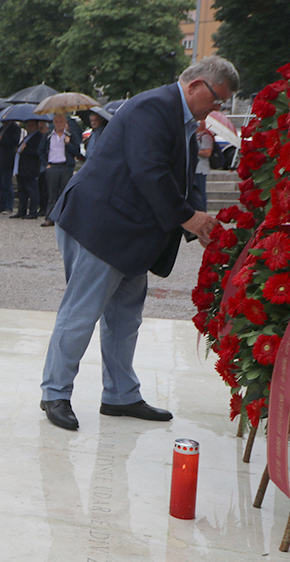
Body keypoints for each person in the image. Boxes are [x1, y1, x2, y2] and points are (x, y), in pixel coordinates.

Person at [39, 56, 237, 432]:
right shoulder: (154, 106)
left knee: (126, 317)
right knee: (82, 311)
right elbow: (149, 170)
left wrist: (199, 220)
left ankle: (120, 395)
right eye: (216, 99)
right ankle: (55, 393)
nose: (217, 108)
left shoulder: (182, 120)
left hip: (132, 232)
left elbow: (182, 179)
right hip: (101, 225)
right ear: (196, 85)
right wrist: (188, 218)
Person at [41, 114, 80, 227]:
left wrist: (68, 144)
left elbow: (77, 152)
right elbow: (41, 150)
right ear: (54, 123)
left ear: (65, 123)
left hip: (65, 167)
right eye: (57, 122)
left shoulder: (71, 135)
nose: (59, 124)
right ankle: (50, 217)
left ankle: (65, 218)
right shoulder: (48, 136)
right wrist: (45, 164)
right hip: (52, 167)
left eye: (61, 122)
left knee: (65, 194)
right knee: (52, 194)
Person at [12, 119, 44, 220]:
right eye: (28, 125)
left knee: (32, 191)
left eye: (32, 125)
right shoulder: (27, 136)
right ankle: (22, 211)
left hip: (30, 169)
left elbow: (38, 152)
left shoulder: (38, 137)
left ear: (36, 125)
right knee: (22, 191)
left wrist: (25, 149)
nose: (29, 127)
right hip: (21, 169)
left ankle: (33, 212)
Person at [0, 120, 21, 214]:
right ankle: (2, 204)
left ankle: (9, 206)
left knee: (7, 182)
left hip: (7, 158)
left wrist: (2, 139)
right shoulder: (2, 128)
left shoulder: (15, 128)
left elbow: (14, 141)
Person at [193, 120, 213, 212]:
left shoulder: (205, 136)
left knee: (200, 191)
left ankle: (202, 210)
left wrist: (194, 152)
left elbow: (207, 152)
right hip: (195, 168)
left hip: (201, 169)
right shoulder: (197, 136)